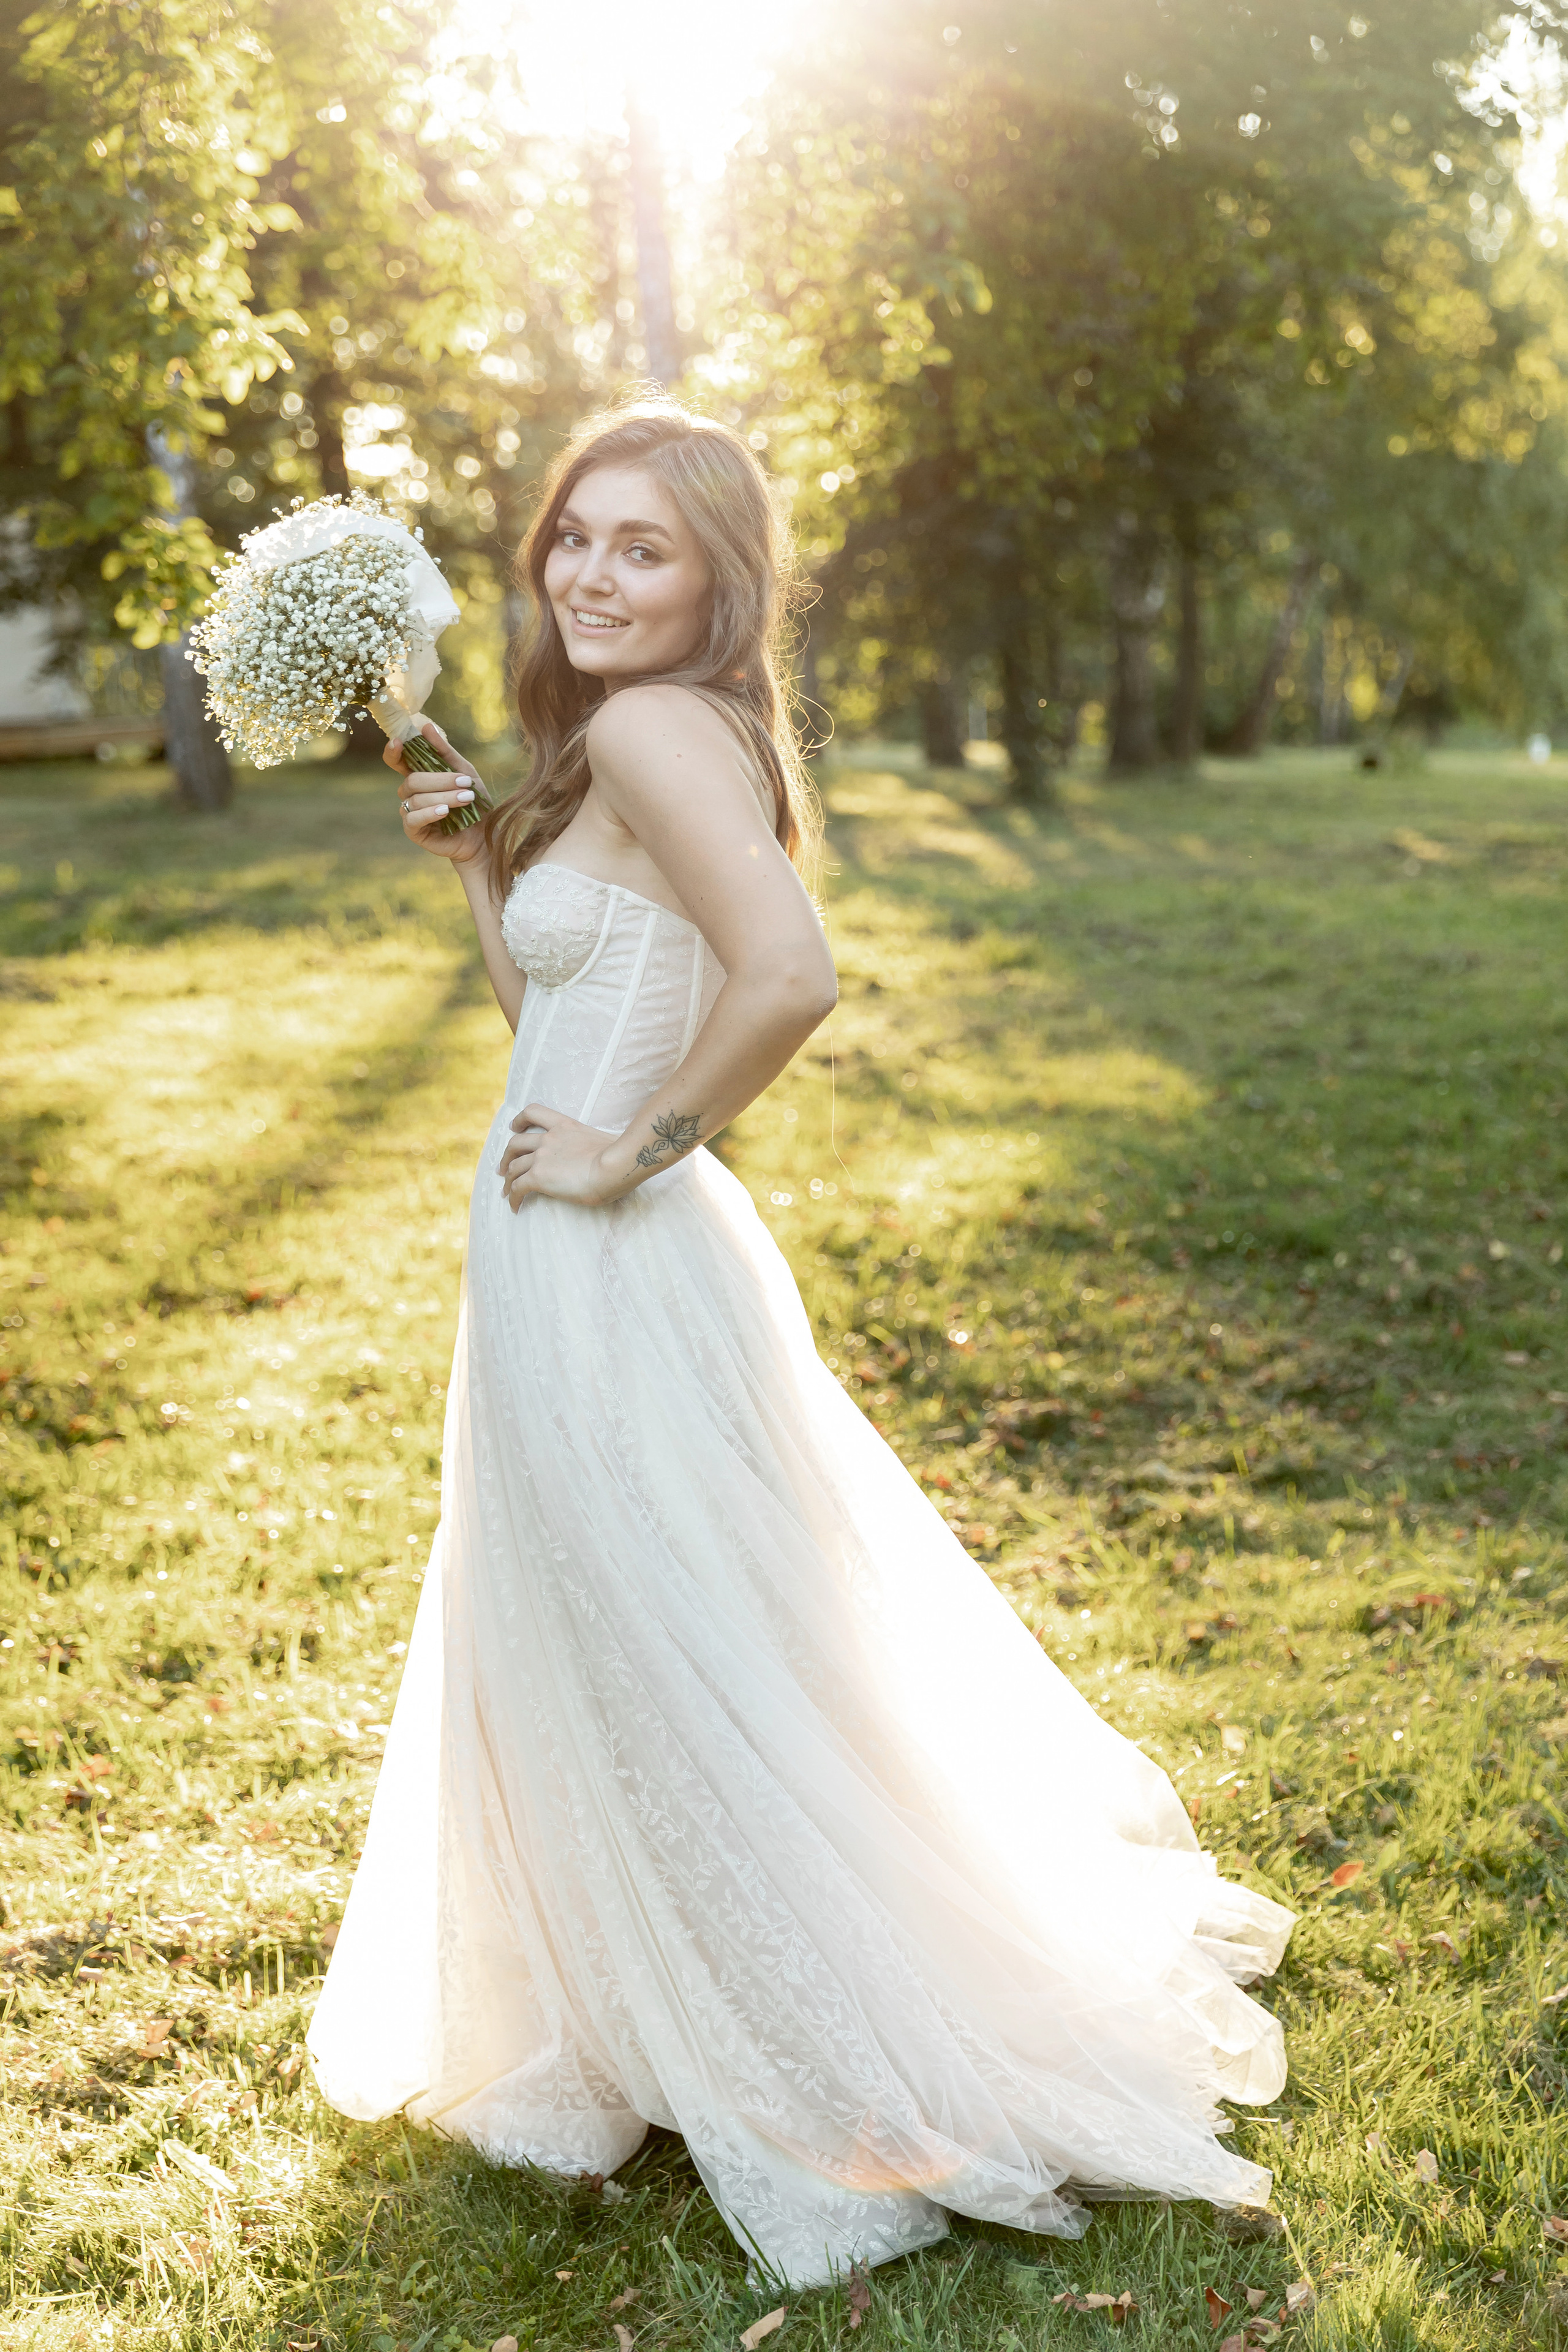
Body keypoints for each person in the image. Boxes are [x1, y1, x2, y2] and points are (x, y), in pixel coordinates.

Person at [307, 401, 1294, 2287]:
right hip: (563, 1250)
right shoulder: (617, 742)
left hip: (607, 1247)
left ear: (716, 582)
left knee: (668, 1631)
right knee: (637, 1623)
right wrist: (474, 873)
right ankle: (674, 1999)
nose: (594, 575)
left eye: (643, 550)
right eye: (574, 540)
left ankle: (802, 2033)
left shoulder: (663, 728)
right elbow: (562, 1004)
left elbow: (794, 977)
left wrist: (629, 1148)